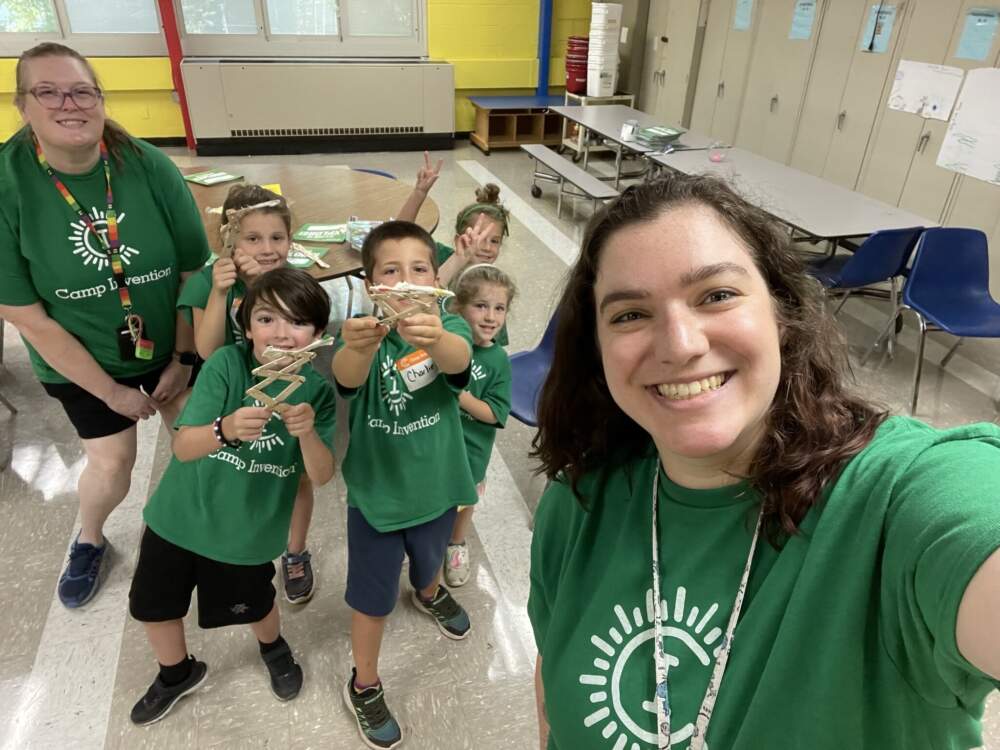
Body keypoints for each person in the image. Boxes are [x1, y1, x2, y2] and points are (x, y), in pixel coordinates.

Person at [527, 174, 1000, 750]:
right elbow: (554, 692)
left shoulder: (894, 497)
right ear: (596, 350)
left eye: (716, 295)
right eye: (629, 314)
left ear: (782, 313)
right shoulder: (577, 506)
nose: (679, 344)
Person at [0, 42, 210, 608]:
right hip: (80, 357)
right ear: (23, 106)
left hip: (171, 342)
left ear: (99, 99)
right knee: (113, 462)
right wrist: (111, 392)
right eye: (48, 91)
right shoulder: (7, 182)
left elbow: (194, 267)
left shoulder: (147, 163)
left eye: (82, 90)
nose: (68, 103)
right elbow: (25, 316)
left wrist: (184, 357)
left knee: (199, 438)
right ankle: (90, 540)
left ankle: (213, 533)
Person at [127, 267, 336, 726]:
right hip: (179, 518)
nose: (281, 333)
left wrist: (306, 435)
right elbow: (183, 447)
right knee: (153, 605)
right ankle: (175, 672)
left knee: (256, 603)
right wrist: (225, 429)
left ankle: (273, 646)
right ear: (245, 324)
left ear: (319, 334)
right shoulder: (226, 365)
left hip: (248, 531)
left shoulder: (316, 392)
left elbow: (321, 476)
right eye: (266, 319)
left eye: (297, 322)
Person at [332, 220, 478, 749]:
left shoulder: (451, 330)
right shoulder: (363, 337)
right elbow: (347, 380)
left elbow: (457, 364)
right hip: (377, 496)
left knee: (430, 558)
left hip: (439, 485)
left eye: (420, 269)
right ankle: (364, 682)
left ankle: (429, 591)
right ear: (373, 287)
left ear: (437, 281)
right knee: (371, 600)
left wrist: (437, 336)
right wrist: (359, 347)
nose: (407, 280)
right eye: (391, 271)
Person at [177, 183, 321, 605]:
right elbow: (208, 350)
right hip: (232, 393)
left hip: (287, 390)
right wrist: (224, 292)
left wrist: (271, 291)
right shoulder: (212, 280)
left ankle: (295, 551)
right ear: (229, 240)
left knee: (296, 476)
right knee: (243, 468)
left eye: (277, 237)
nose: (267, 248)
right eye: (252, 238)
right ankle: (235, 536)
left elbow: (308, 339)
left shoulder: (292, 281)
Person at [443, 264, 514, 587]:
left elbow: (495, 413)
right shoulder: (448, 345)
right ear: (459, 307)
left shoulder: (498, 360)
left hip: (472, 452)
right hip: (437, 445)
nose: (490, 317)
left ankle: (456, 544)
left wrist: (459, 395)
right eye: (481, 306)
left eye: (499, 308)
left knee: (465, 501)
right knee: (435, 495)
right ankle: (424, 538)